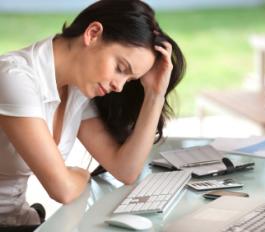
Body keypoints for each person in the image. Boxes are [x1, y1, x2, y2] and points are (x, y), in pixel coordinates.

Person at [0, 0, 186, 230]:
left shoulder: (77, 89)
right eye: (120, 68)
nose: (119, 86)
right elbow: (63, 190)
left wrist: (154, 95)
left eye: (129, 80)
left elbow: (126, 170)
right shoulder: (13, 78)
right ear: (93, 33)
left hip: (20, 221)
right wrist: (81, 175)